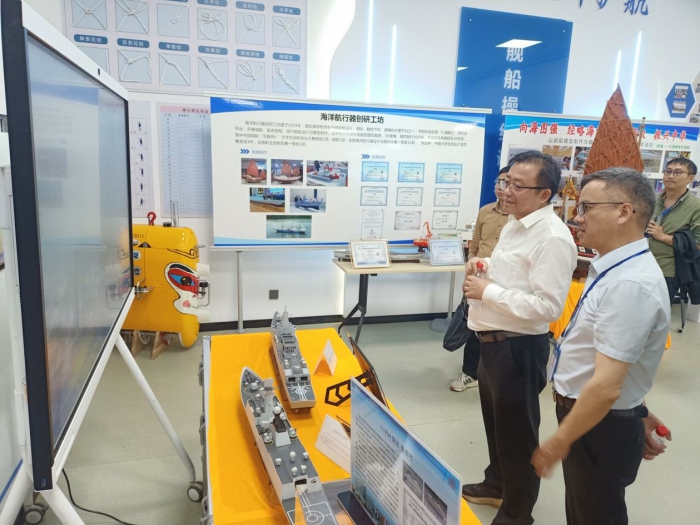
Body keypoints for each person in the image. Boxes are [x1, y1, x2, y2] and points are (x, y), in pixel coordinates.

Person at [532, 168, 672, 525]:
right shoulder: (614, 268)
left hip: (599, 425)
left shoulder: (629, 283)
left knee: (594, 515)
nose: (577, 218)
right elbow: (619, 358)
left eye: (587, 208)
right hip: (597, 417)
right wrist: (637, 408)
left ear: (624, 212)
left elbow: (607, 385)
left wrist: (558, 441)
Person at [461, 150, 577, 525]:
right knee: (497, 427)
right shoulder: (515, 222)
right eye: (505, 181)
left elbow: (548, 307)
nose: (506, 190)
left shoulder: (553, 238)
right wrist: (484, 267)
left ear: (544, 194)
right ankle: (497, 485)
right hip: (491, 342)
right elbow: (513, 274)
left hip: (517, 348)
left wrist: (488, 291)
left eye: (517, 185)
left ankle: (516, 514)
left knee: (517, 436)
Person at [450, 167, 510, 392]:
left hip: (504, 282)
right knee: (474, 326)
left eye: (507, 183)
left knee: (501, 330)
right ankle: (470, 373)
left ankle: (496, 375)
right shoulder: (485, 211)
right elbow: (474, 246)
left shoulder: (519, 218)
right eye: (499, 182)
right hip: (479, 278)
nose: (501, 188)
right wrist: (469, 271)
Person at [646, 157, 700, 304]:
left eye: (677, 172)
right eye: (668, 171)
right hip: (640, 264)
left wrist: (662, 236)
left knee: (655, 313)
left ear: (690, 178)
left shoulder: (696, 207)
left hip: (667, 271)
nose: (670, 176)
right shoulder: (652, 200)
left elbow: (697, 245)